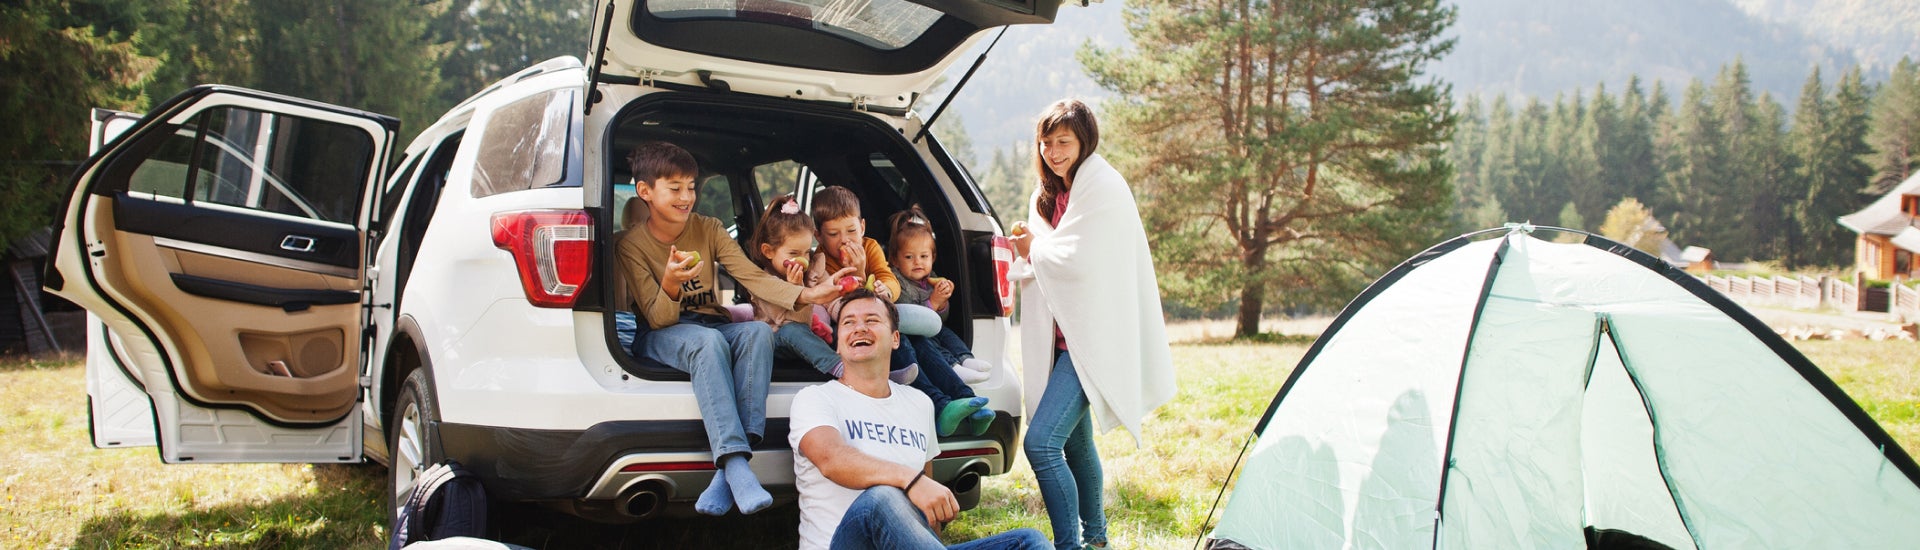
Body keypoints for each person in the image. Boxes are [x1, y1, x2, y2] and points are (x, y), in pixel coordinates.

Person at [616, 141, 854, 516]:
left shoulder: (709, 228)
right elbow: (658, 318)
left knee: (757, 332)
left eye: (691, 186)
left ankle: (730, 468)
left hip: (710, 322)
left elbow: (752, 278)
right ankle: (736, 463)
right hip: (660, 332)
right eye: (675, 188)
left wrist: (809, 294)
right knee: (707, 342)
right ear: (645, 191)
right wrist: (671, 282)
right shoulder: (631, 245)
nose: (686, 197)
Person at [1008, 99, 1176, 549]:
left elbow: (1082, 261)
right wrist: (1031, 247)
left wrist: (1032, 250)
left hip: (1091, 340)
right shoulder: (1047, 197)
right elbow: (1051, 255)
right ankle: (1097, 540)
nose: (1053, 152)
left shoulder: (1103, 187)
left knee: (1041, 444)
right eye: (1046, 142)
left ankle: (1071, 546)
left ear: (1085, 141)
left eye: (1063, 142)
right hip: (1059, 340)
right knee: (1076, 446)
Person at [789, 289, 1050, 550]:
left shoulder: (919, 403)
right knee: (882, 497)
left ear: (895, 339)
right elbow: (832, 460)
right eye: (848, 322)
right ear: (837, 343)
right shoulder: (815, 398)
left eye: (871, 320)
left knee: (1029, 542)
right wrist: (911, 479)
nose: (859, 328)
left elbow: (927, 511)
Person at [886, 204, 995, 437]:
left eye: (924, 256)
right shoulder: (894, 280)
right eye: (909, 257)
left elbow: (939, 320)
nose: (917, 262)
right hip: (911, 333)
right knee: (927, 340)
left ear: (933, 257)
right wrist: (933, 304)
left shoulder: (932, 279)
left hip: (926, 332)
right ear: (894, 259)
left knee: (943, 332)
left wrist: (942, 303)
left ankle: (970, 399)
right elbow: (908, 316)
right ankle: (953, 376)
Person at [746, 194, 844, 377]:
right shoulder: (764, 283)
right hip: (779, 339)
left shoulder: (814, 267)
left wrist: (848, 311)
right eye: (793, 253)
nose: (803, 259)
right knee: (792, 331)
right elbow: (792, 323)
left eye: (806, 252)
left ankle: (877, 371)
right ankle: (841, 370)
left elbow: (832, 300)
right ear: (768, 251)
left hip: (815, 334)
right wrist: (797, 289)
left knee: (846, 326)